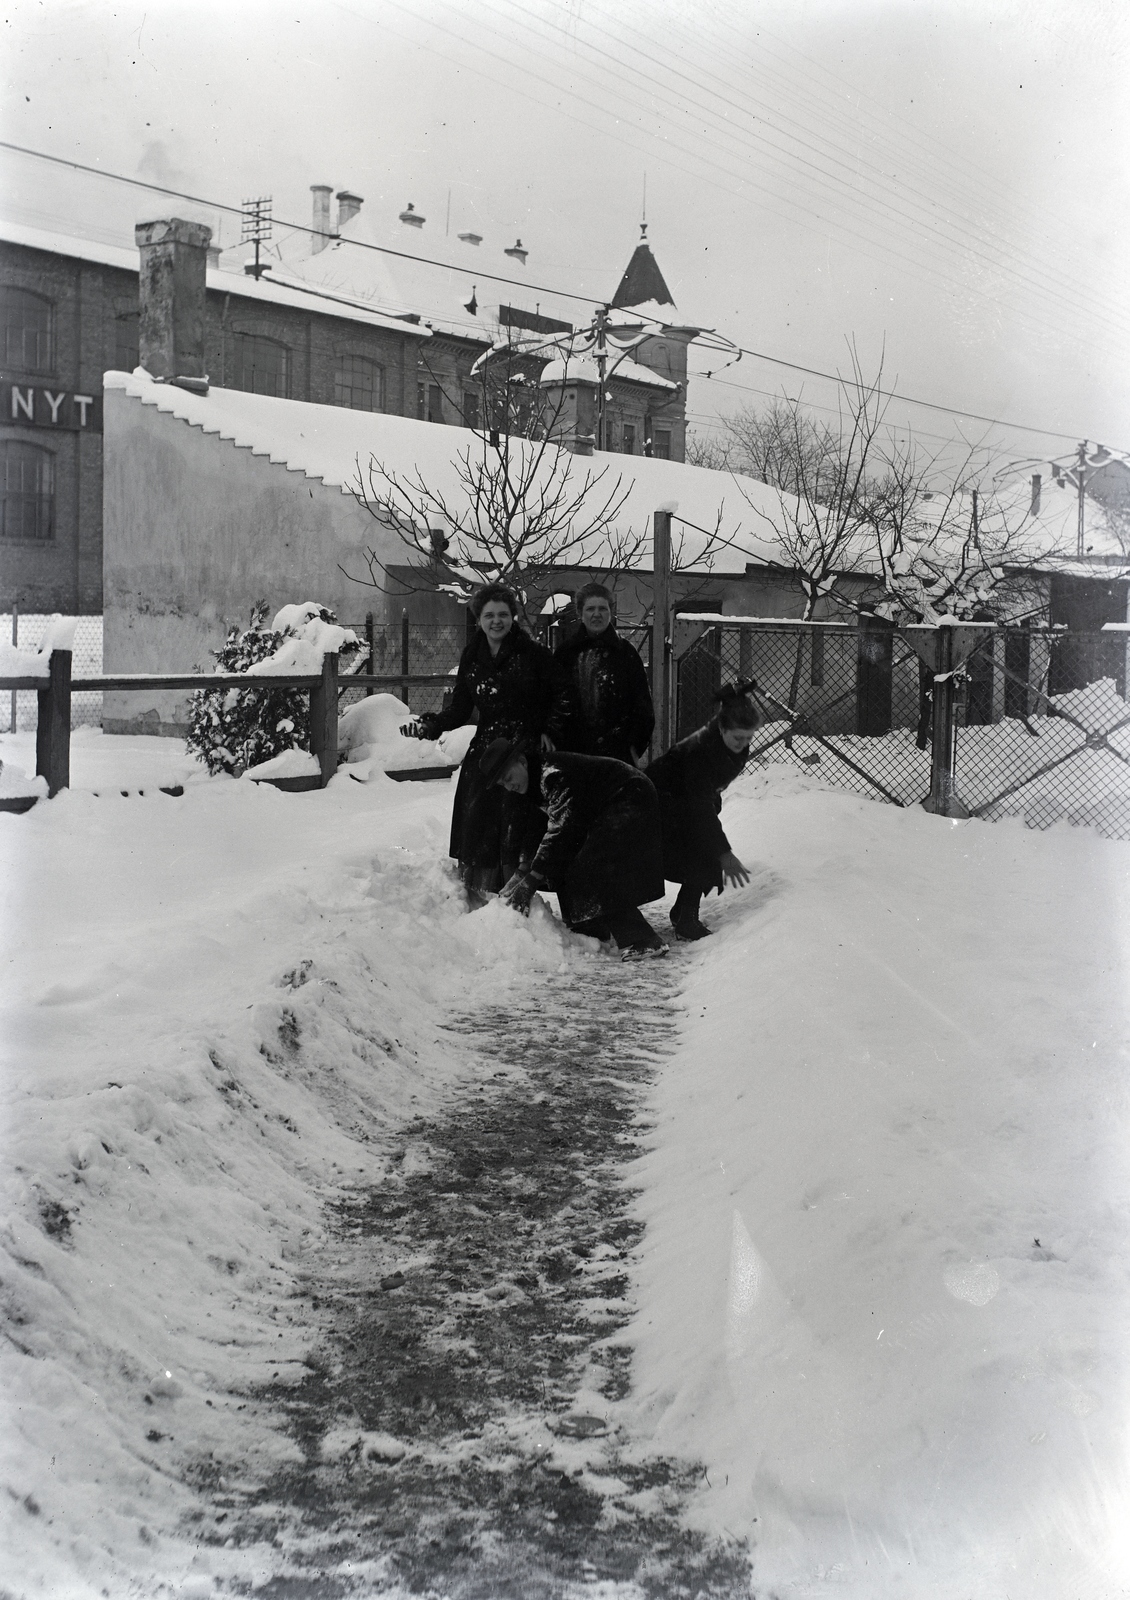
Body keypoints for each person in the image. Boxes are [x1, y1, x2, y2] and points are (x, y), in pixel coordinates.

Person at [403, 584, 566, 904]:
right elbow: (461, 709)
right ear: (478, 618)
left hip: (522, 743)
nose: (496, 621)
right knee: (478, 809)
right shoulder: (472, 656)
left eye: (503, 614)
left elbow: (560, 693)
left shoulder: (532, 653)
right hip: (488, 744)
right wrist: (431, 725)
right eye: (489, 615)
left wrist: (550, 728)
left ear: (513, 616)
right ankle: (476, 890)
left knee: (515, 816)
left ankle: (517, 889)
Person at [479, 737, 668, 960]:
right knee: (567, 860)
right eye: (503, 784)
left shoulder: (553, 775)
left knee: (594, 863)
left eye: (508, 778)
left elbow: (561, 831)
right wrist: (521, 872)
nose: (509, 786)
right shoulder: (532, 783)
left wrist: (531, 881)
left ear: (521, 761)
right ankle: (589, 929)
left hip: (630, 795)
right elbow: (537, 831)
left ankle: (644, 939)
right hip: (603, 807)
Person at [646, 680, 762, 941]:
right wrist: (725, 854)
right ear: (721, 728)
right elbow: (698, 804)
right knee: (706, 844)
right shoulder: (701, 751)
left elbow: (705, 794)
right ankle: (685, 917)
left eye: (748, 738)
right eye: (737, 737)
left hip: (686, 799)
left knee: (706, 840)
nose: (743, 744)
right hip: (656, 802)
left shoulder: (731, 742)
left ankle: (685, 913)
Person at [553, 583, 655, 767]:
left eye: (602, 608)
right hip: (574, 756)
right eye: (590, 609)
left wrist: (633, 748)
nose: (596, 614)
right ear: (580, 613)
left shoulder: (626, 654)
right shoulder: (565, 654)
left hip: (618, 757)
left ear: (611, 612)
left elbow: (643, 708)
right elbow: (552, 702)